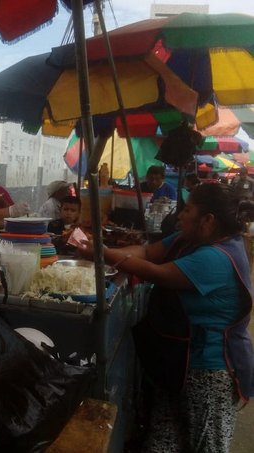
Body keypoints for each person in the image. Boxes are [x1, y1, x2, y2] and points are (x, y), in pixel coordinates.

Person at [77, 183, 254, 452]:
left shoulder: (217, 257)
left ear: (208, 220)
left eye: (188, 210)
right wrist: (98, 251)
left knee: (207, 446)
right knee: (162, 443)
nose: (180, 215)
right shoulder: (189, 239)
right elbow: (148, 253)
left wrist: (101, 253)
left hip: (210, 373)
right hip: (177, 364)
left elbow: (160, 274)